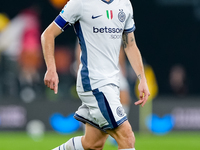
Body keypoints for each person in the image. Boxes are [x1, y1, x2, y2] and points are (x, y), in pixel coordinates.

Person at [41, 0, 150, 150]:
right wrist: (51, 69)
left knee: (93, 144)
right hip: (94, 82)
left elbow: (130, 44)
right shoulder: (80, 3)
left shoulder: (124, 4)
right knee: (127, 137)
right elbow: (48, 34)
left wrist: (142, 79)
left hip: (112, 83)